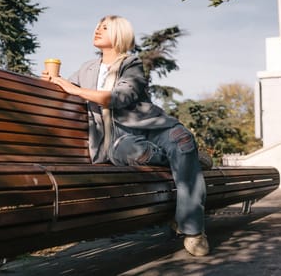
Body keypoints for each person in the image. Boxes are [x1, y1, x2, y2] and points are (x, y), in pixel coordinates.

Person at [42, 15, 209, 257]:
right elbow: (63, 89)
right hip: (117, 140)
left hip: (151, 125)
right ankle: (189, 159)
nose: (97, 29)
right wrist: (51, 81)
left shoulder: (132, 63)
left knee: (183, 140)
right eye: (97, 26)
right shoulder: (86, 69)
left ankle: (193, 230)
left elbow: (120, 97)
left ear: (119, 34)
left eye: (105, 27)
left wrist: (71, 88)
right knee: (137, 151)